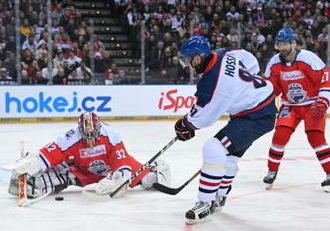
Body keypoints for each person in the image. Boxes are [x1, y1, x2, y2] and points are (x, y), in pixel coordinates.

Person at [175, 35, 276, 224]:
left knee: (214, 148)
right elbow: (250, 60)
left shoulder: (212, 83)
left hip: (255, 115)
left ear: (198, 57)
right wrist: (244, 85)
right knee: (230, 155)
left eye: (188, 59)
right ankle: (219, 196)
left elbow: (205, 117)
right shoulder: (224, 53)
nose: (187, 64)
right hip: (258, 107)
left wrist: (185, 125)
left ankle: (205, 203)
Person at [7, 112, 170, 198]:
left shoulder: (112, 135)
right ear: (79, 129)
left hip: (110, 170)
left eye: (93, 133)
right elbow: (50, 153)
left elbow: (122, 162)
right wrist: (34, 163)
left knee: (148, 180)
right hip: (83, 170)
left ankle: (155, 169)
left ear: (99, 127)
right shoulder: (70, 137)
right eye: (87, 133)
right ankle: (33, 183)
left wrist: (119, 179)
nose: (90, 137)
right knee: (53, 178)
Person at [263, 28, 330, 192]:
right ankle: (272, 170)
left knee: (316, 137)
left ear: (293, 43)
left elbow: (325, 78)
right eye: (280, 44)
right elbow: (271, 87)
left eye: (286, 44)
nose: (283, 48)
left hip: (312, 104)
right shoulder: (274, 63)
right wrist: (263, 101)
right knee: (279, 136)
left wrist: (323, 100)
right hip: (290, 105)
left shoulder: (308, 58)